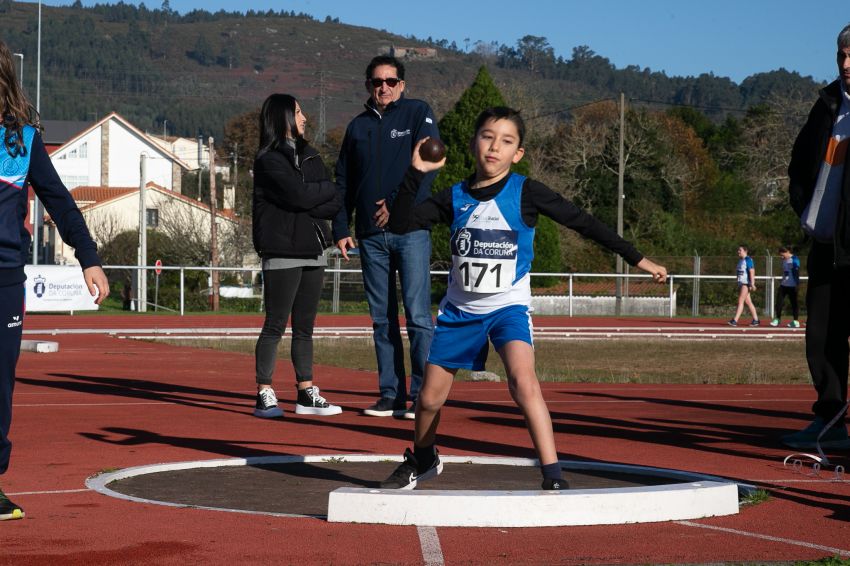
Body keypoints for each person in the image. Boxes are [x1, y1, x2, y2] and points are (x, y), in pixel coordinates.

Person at [380, 107, 668, 490]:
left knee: (523, 381)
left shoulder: (527, 192)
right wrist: (416, 171)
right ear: (473, 143)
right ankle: (424, 456)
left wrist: (638, 259)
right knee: (429, 401)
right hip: (460, 311)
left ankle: (553, 474)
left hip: (508, 307)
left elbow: (582, 221)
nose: (494, 146)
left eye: (507, 140)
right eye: (487, 136)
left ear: (518, 153)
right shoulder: (453, 197)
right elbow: (400, 223)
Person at [0, 40, 110, 521]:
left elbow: (59, 202)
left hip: (3, 279)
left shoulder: (20, 141)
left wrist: (89, 257)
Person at [332, 56, 439, 419]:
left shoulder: (417, 112)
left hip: (410, 231)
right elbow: (343, 183)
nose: (384, 87)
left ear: (402, 85)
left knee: (418, 316)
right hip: (370, 237)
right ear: (368, 86)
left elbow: (427, 165)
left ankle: (423, 395)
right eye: (377, 81)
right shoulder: (356, 127)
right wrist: (341, 229)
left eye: (391, 81)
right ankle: (390, 394)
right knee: (382, 319)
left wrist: (395, 205)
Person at [251, 94, 343, 418]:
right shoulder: (268, 160)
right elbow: (300, 194)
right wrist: (312, 195)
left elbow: (332, 200)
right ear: (283, 117)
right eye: (299, 112)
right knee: (275, 324)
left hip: (314, 249)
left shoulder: (311, 155)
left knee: (305, 327)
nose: (304, 118)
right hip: (281, 252)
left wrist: (310, 197)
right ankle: (264, 392)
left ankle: (306, 393)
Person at [782, 23, 850, 450]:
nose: (846, 64)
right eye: (842, 56)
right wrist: (803, 206)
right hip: (826, 246)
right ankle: (831, 421)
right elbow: (800, 162)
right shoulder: (825, 105)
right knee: (823, 338)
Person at [728, 245, 760, 327]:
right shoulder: (741, 261)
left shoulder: (748, 260)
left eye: (740, 250)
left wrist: (752, 283)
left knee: (740, 301)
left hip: (746, 283)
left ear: (745, 251)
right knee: (748, 302)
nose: (738, 252)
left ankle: (735, 320)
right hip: (742, 283)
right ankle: (756, 320)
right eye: (738, 250)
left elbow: (752, 271)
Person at [770, 246, 801, 328]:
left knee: (794, 304)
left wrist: (797, 284)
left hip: (792, 286)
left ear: (787, 252)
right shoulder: (784, 260)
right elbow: (785, 272)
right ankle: (777, 319)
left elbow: (797, 272)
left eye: (782, 254)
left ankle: (795, 321)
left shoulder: (795, 259)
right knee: (778, 303)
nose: (781, 256)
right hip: (783, 285)